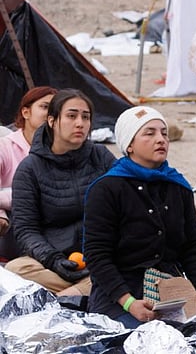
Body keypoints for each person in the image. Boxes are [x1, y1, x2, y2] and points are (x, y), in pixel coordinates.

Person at [83, 106, 196, 328]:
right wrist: (129, 302)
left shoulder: (178, 186)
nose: (160, 139)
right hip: (119, 296)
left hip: (170, 292)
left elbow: (193, 248)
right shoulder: (106, 189)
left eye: (164, 133)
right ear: (129, 144)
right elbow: (97, 256)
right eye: (149, 133)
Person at [8, 89, 116, 295]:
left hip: (101, 259)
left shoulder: (101, 157)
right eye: (71, 115)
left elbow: (126, 206)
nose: (80, 123)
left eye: (86, 117)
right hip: (53, 263)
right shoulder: (30, 168)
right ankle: (85, 294)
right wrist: (53, 260)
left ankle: (65, 299)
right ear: (52, 120)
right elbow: (26, 229)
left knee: (120, 271)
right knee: (15, 270)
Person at [0, 86, 57, 262]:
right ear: (26, 112)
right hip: (14, 225)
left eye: (56, 109)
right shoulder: (5, 147)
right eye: (45, 106)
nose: (51, 113)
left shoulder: (62, 150)